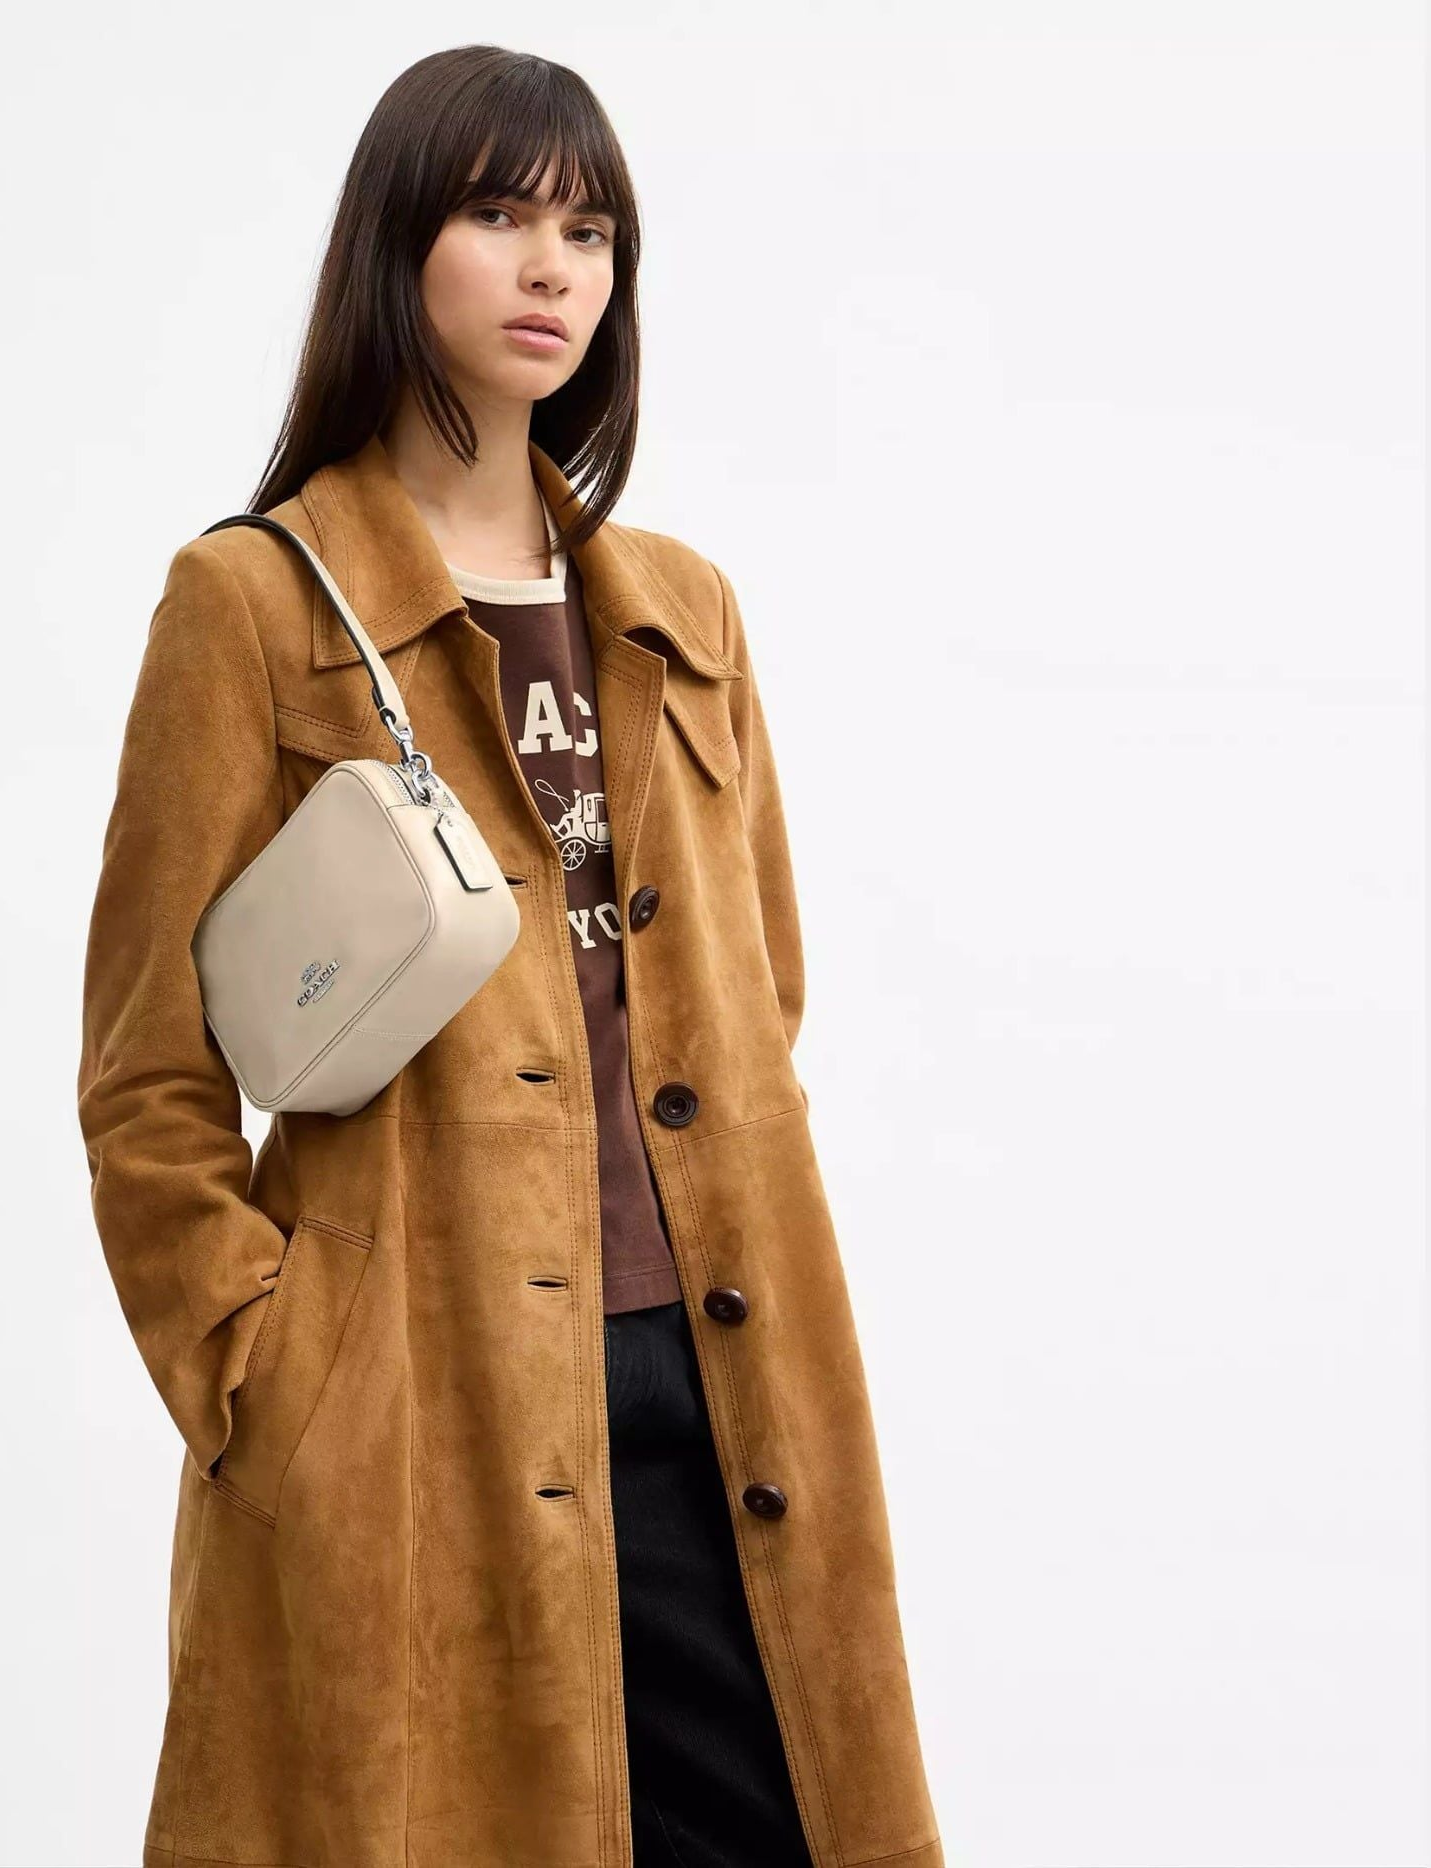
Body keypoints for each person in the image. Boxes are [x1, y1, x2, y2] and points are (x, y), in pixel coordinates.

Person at [78, 44, 943, 1868]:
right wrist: (267, 1378)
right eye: (496, 214)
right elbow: (148, 1077)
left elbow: (759, 993)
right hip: (415, 1395)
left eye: (590, 230)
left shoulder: (683, 610)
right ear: (396, 244)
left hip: (729, 1369)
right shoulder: (253, 603)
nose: (552, 267)